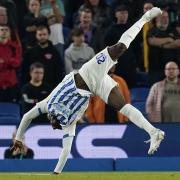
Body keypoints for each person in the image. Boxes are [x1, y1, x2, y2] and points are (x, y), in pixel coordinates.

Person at [12, 7, 165, 174]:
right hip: (96, 87)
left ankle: (146, 17)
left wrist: (19, 138)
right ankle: (153, 131)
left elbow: (27, 116)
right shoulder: (68, 124)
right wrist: (55, 173)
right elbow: (65, 150)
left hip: (88, 73)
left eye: (53, 124)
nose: (54, 125)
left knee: (120, 48)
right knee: (124, 107)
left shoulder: (48, 104)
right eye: (56, 126)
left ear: (50, 118)